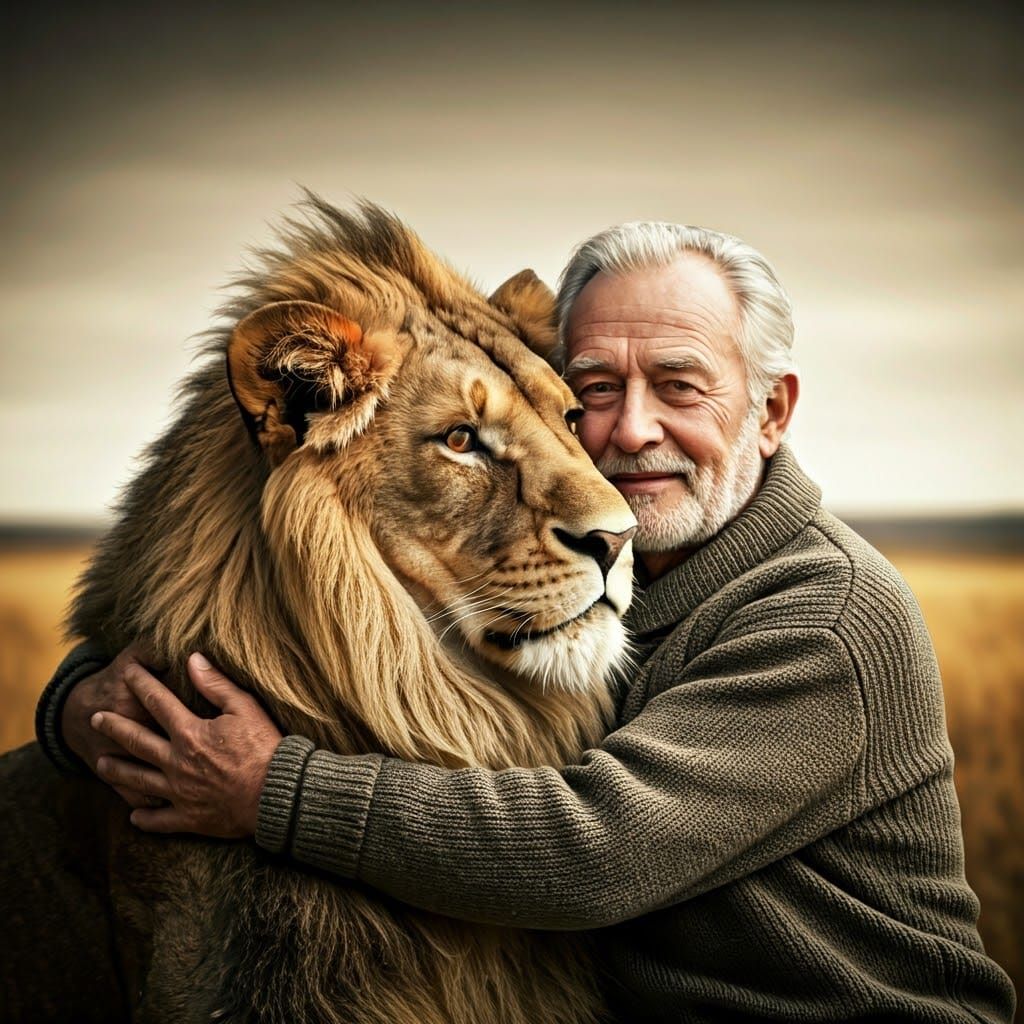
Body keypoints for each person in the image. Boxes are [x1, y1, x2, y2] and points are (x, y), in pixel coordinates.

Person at [36, 223, 1016, 1022]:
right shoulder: (637, 572)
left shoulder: (825, 616)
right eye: (592, 394)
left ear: (771, 411)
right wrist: (90, 704)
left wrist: (271, 789)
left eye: (680, 385)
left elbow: (596, 850)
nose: (627, 437)